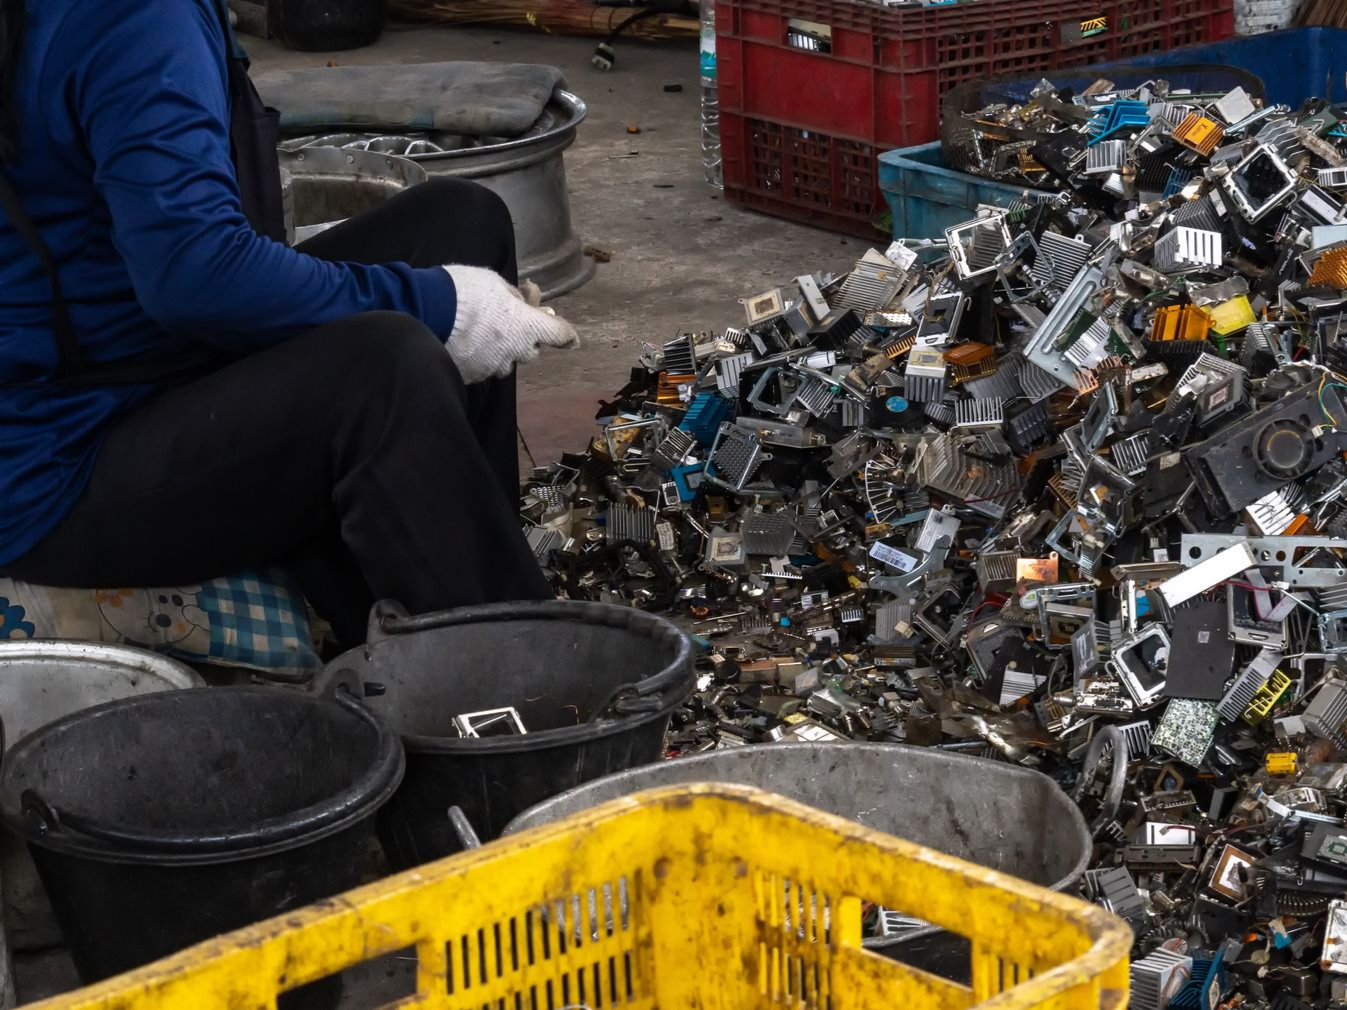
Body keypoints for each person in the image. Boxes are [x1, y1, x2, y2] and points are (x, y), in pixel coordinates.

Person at [0, 0, 577, 647]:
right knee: (384, 370)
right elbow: (198, 277)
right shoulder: (133, 13)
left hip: (141, 359)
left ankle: (463, 585)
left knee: (460, 222)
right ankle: (521, 685)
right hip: (57, 464)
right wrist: (445, 309)